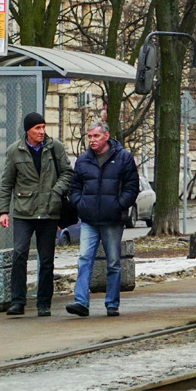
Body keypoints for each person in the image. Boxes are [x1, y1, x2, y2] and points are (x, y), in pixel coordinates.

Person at [0, 112, 72, 317]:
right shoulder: (15, 151)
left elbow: (67, 172)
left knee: (46, 259)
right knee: (19, 253)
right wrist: (3, 210)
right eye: (37, 128)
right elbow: (6, 183)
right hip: (24, 211)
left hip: (49, 211)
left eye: (43, 127)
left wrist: (56, 191)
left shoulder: (54, 147)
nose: (41, 132)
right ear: (27, 131)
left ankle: (43, 303)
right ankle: (18, 301)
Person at [66, 121, 139, 317]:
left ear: (106, 136)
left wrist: (119, 205)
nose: (92, 140)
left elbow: (132, 187)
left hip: (112, 220)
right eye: (89, 136)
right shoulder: (83, 160)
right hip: (89, 220)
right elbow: (74, 188)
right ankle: (81, 301)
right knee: (84, 259)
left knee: (113, 262)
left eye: (96, 136)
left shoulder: (123, 158)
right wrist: (80, 204)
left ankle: (112, 303)